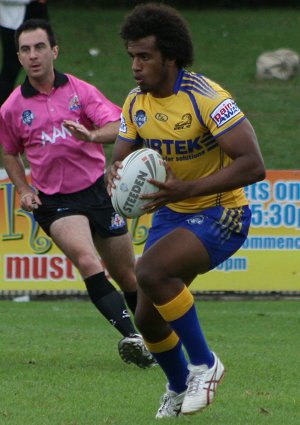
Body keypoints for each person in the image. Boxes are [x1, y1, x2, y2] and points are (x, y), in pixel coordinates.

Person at [106, 2, 266, 418]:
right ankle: (178, 387)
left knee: (151, 272)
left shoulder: (207, 99)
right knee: (148, 318)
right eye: (132, 57)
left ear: (171, 56)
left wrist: (188, 187)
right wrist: (115, 175)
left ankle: (205, 365)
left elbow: (254, 164)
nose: (136, 66)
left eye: (145, 57)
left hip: (221, 211)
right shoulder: (136, 102)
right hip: (172, 212)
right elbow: (121, 157)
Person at [0, 18, 156, 369]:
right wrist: (23, 188)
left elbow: (119, 126)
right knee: (88, 261)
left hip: (98, 193)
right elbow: (9, 151)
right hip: (55, 202)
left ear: (54, 51)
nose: (33, 55)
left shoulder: (80, 92)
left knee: (129, 276)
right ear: (19, 57)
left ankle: (158, 338)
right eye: (25, 50)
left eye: (39, 47)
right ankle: (133, 339)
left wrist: (91, 136)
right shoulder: (11, 108)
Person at [0, 0, 49, 106]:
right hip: (13, 21)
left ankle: (42, 109)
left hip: (38, 14)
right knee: (10, 68)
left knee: (43, 67)